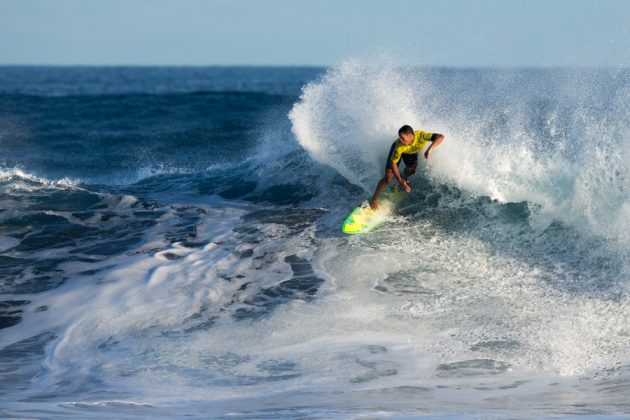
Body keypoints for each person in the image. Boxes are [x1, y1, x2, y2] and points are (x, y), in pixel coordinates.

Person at [369, 125, 445, 210]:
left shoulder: (421, 136)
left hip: (411, 151)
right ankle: (374, 199)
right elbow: (393, 163)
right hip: (400, 151)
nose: (400, 140)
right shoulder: (399, 146)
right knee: (388, 178)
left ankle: (404, 178)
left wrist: (429, 149)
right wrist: (399, 180)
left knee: (411, 170)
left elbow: (440, 137)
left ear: (410, 136)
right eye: (400, 138)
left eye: (402, 138)